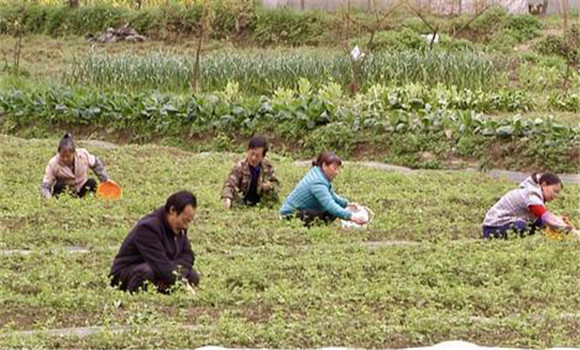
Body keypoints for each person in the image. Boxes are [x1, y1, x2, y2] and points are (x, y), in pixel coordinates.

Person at [110, 191, 200, 294]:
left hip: (161, 267)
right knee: (148, 272)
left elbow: (187, 254)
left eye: (189, 221)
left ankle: (165, 285)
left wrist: (176, 274)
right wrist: (178, 281)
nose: (186, 226)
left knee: (192, 275)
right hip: (130, 271)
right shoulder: (148, 228)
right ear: (172, 211)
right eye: (184, 221)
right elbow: (159, 262)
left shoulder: (179, 228)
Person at [280, 151, 367, 226]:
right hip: (290, 215)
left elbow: (332, 196)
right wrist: (352, 217)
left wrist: (347, 204)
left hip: (302, 209)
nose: (337, 172)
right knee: (331, 211)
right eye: (334, 168)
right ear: (324, 165)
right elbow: (330, 204)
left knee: (334, 210)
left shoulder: (319, 174)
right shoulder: (317, 182)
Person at [482, 172, 575, 239]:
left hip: (506, 223)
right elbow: (547, 218)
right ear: (544, 184)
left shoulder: (535, 193)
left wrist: (559, 220)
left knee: (540, 223)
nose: (556, 196)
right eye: (555, 191)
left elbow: (545, 217)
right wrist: (569, 229)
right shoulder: (532, 195)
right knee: (522, 226)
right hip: (492, 229)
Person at [41, 133, 114, 199]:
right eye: (62, 156)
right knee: (59, 185)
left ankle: (88, 200)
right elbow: (46, 185)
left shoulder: (83, 155)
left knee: (92, 183)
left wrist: (106, 180)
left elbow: (97, 165)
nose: (65, 159)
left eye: (68, 156)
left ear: (74, 153)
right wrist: (48, 198)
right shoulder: (53, 163)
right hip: (66, 192)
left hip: (82, 189)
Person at [221, 136, 279, 208]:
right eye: (251, 154)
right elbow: (230, 184)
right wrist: (227, 198)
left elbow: (276, 185)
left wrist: (269, 186)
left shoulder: (267, 166)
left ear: (263, 156)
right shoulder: (240, 166)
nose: (253, 158)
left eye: (257, 156)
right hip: (243, 201)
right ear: (248, 151)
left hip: (262, 203)